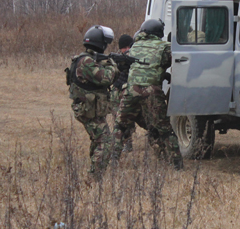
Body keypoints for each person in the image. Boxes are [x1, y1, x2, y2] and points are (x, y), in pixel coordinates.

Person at [113, 18, 182, 169]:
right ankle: (177, 164)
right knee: (164, 128)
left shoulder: (134, 47)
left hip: (131, 90)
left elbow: (127, 66)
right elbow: (177, 62)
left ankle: (111, 160)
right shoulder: (165, 47)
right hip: (152, 91)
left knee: (120, 126)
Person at [66, 25, 118, 175]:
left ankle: (95, 170)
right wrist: (113, 65)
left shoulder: (84, 59)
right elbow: (106, 78)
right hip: (88, 109)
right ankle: (95, 176)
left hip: (90, 108)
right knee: (106, 141)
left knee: (98, 139)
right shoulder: (86, 62)